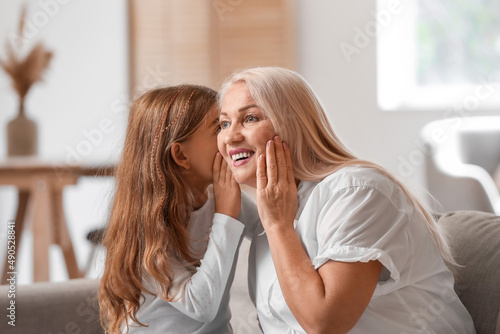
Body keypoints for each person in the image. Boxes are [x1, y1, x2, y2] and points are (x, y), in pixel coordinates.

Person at [217, 67, 476, 334]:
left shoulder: (359, 191)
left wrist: (278, 227)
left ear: (293, 123)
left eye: (250, 118)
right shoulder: (271, 211)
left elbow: (325, 323)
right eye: (224, 124)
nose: (230, 137)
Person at [98, 85, 259, 333]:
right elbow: (201, 305)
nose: (228, 137)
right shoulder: (149, 225)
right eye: (219, 127)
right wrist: (225, 217)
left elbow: (272, 229)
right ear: (181, 155)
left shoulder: (219, 195)